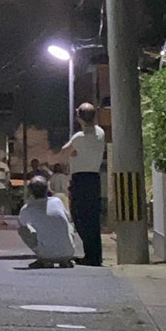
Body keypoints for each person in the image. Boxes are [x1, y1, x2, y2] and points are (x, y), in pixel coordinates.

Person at [63, 102, 105, 266]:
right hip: (94, 178)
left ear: (79, 118)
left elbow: (64, 151)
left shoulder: (79, 137)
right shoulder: (100, 133)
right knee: (92, 218)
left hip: (80, 179)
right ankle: (95, 255)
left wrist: (73, 153)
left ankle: (90, 255)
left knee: (78, 216)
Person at [18, 174, 76, 268]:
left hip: (46, 254)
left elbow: (22, 224)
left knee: (22, 229)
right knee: (68, 224)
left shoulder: (27, 209)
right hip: (68, 253)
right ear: (47, 189)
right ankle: (64, 258)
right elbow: (67, 217)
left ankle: (44, 258)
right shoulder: (57, 201)